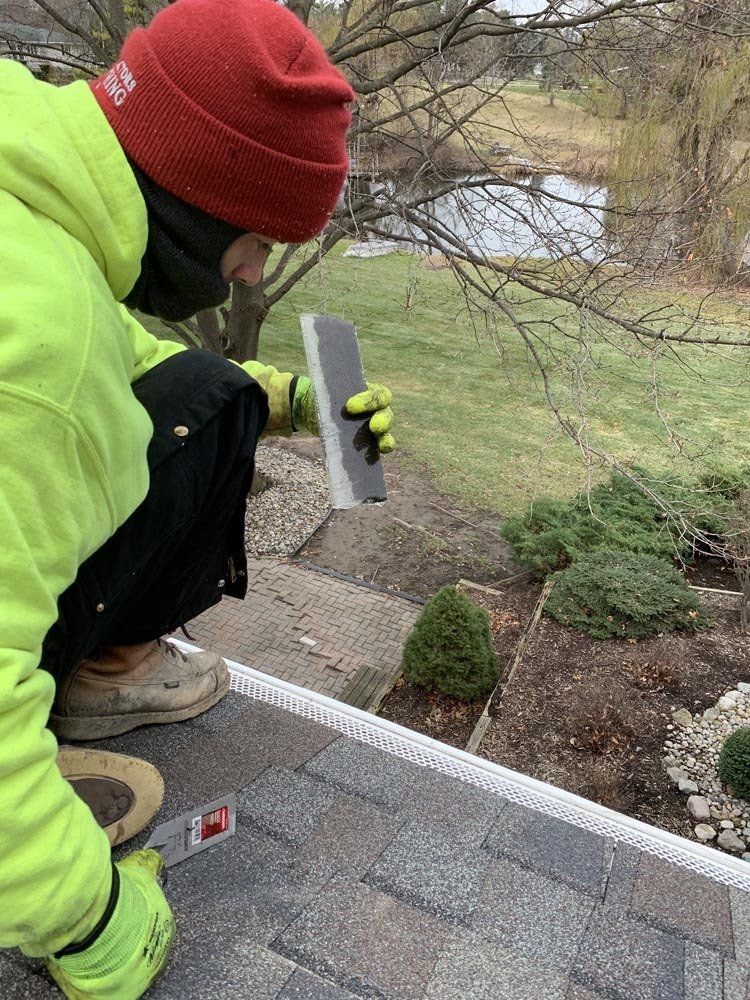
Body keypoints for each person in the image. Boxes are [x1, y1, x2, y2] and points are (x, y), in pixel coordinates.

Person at [0, 0, 394, 996]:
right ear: (204, 198)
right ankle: (101, 670)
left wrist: (297, 403)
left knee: (209, 393)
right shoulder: (43, 360)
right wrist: (90, 923)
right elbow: (64, 367)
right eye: (258, 241)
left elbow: (127, 353)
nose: (256, 272)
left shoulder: (29, 163)